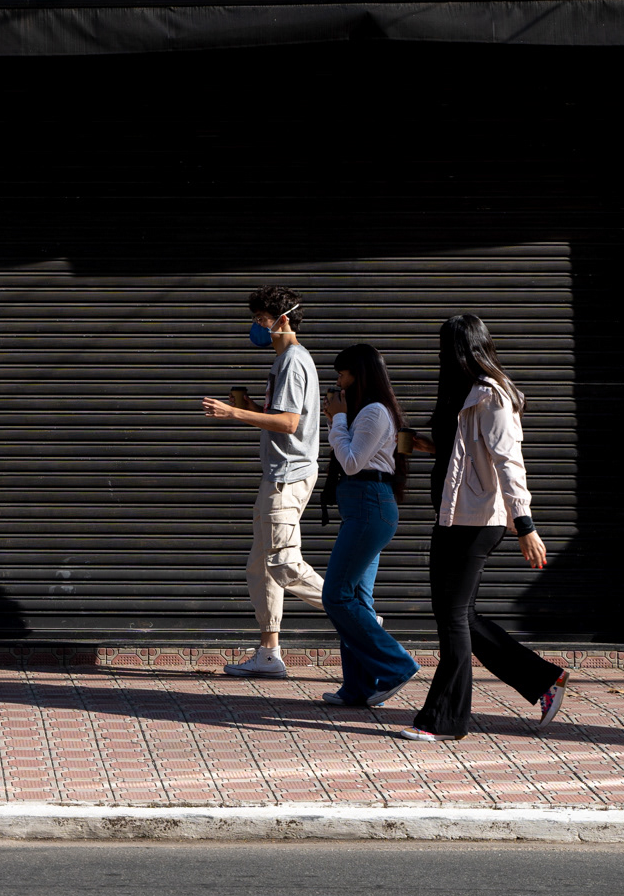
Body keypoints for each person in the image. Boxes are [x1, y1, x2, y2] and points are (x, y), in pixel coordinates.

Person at [402, 314, 570, 742]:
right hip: (452, 515)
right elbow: (463, 452)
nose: (440, 355)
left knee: (453, 618)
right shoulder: (460, 392)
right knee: (459, 615)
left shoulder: (492, 395)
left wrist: (525, 525)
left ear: (462, 350)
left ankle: (444, 720)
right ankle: (542, 679)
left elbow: (509, 462)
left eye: (445, 348)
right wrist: (427, 445)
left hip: (479, 521)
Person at [202, 286, 325, 679]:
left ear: (283, 320)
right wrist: (252, 408)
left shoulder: (291, 360)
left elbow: (290, 424)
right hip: (277, 474)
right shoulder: (283, 361)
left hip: (287, 477)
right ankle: (269, 653)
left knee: (283, 563)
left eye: (261, 321)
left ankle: (359, 613)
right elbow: (284, 418)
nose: (257, 328)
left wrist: (233, 415)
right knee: (261, 567)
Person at [320, 344, 422, 708]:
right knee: (357, 599)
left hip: (369, 507)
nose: (338, 384)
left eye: (342, 375)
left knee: (336, 596)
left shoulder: (373, 413)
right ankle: (359, 687)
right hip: (363, 509)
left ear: (359, 375)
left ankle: (396, 665)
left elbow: (350, 462)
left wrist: (337, 420)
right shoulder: (365, 412)